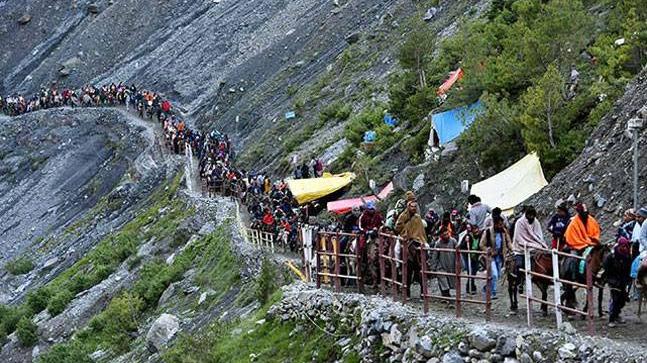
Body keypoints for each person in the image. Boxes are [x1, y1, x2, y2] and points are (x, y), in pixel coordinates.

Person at [603, 237, 632, 327]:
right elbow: (606, 270)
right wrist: (610, 280)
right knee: (615, 298)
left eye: (626, 246)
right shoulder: (611, 257)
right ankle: (611, 319)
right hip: (613, 280)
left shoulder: (627, 257)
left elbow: (628, 270)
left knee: (622, 299)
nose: (624, 248)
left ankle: (617, 314)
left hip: (623, 280)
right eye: (622, 246)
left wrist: (628, 281)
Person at [480, 216, 511, 299]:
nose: (501, 226)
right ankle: (492, 292)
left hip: (500, 256)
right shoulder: (488, 232)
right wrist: (488, 250)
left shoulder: (503, 232)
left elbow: (508, 242)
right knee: (494, 275)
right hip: (491, 257)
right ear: (495, 224)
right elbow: (482, 244)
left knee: (498, 275)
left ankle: (486, 288)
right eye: (500, 224)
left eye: (502, 224)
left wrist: (511, 250)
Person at [430, 227, 457, 297]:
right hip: (441, 266)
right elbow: (435, 256)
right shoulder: (438, 243)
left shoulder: (453, 241)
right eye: (444, 235)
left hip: (451, 265)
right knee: (443, 281)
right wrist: (433, 267)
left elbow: (458, 253)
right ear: (441, 235)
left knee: (450, 282)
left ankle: (446, 295)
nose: (446, 236)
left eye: (447, 234)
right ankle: (446, 296)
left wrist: (459, 265)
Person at [459, 224, 480, 295]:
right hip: (467, 256)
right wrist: (465, 241)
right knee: (470, 271)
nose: (477, 231)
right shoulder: (468, 236)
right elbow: (461, 246)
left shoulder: (480, 236)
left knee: (474, 271)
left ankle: (472, 284)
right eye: (475, 230)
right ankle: (470, 287)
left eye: (477, 230)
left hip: (475, 256)